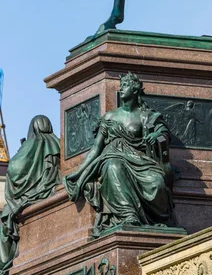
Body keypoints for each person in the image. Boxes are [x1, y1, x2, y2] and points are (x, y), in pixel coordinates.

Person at [64, 72, 175, 236]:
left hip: (140, 160)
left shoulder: (147, 116)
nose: (121, 89)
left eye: (125, 85)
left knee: (157, 183)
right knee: (113, 166)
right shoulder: (110, 117)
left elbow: (163, 132)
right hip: (114, 156)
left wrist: (155, 135)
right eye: (121, 85)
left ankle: (153, 216)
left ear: (135, 89)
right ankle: (128, 215)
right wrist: (79, 172)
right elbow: (96, 148)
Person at [0, 115, 60, 275]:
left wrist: (24, 151)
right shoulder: (60, 142)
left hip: (32, 196)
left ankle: (6, 264)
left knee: (5, 218)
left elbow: (13, 169)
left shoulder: (31, 144)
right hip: (53, 189)